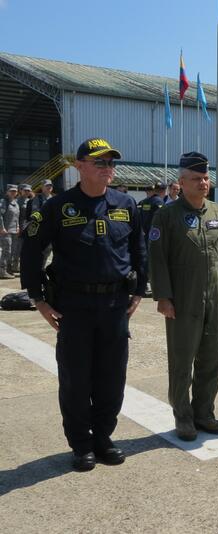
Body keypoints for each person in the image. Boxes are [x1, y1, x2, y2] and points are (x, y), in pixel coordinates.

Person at [20, 137, 146, 471]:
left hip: (114, 305)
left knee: (111, 377)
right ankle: (81, 444)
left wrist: (139, 291)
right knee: (76, 379)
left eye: (111, 163)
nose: (109, 169)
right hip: (73, 306)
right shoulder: (58, 207)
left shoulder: (125, 204)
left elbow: (139, 249)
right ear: (80, 167)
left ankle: (103, 438)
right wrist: (38, 299)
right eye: (100, 163)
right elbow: (32, 252)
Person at [148, 152, 218, 441]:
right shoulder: (167, 215)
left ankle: (204, 413)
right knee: (182, 358)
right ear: (181, 182)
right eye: (197, 179)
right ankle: (183, 417)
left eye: (206, 178)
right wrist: (163, 296)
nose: (203, 183)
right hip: (182, 294)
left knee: (213, 357)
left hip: (213, 292)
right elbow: (157, 259)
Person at [0, 184, 21, 278]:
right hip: (5, 231)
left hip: (14, 231)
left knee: (12, 251)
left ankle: (8, 269)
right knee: (6, 251)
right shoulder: (4, 202)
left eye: (15, 191)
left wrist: (18, 227)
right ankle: (2, 271)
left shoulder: (15, 202)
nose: (13, 192)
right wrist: (1, 228)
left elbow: (17, 217)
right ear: (7, 192)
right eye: (11, 191)